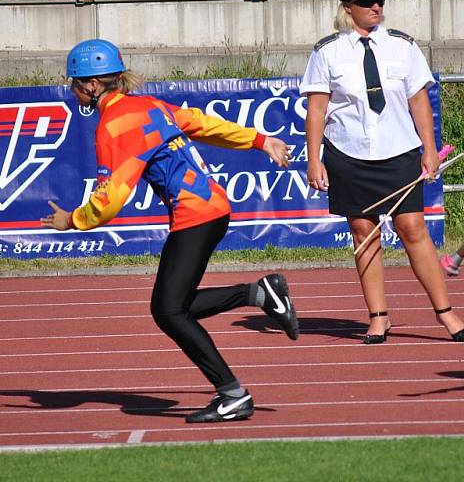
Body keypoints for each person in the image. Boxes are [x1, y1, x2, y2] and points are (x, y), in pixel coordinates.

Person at [40, 38, 300, 424]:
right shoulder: (149, 107)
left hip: (197, 214)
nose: (72, 89)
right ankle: (260, 294)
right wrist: (260, 140)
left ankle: (233, 394)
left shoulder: (113, 126)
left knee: (168, 310)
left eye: (75, 82)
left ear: (93, 85)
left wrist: (74, 220)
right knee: (173, 307)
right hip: (211, 209)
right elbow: (203, 124)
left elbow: (111, 199)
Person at [300, 0, 464, 344]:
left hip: (399, 150)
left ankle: (446, 312)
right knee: (363, 232)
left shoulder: (403, 46)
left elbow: (418, 100)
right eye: (366, 2)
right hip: (349, 153)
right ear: (348, 6)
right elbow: (317, 109)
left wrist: (429, 148)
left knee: (413, 229)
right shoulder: (327, 51)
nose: (376, 6)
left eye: (380, 1)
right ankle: (378, 317)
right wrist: (315, 160)